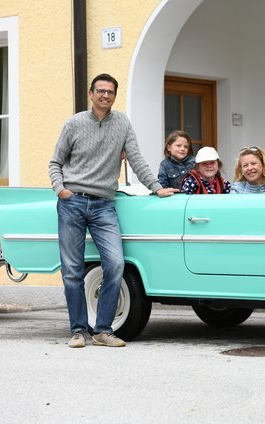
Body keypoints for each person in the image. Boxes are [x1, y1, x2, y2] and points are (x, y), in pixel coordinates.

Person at [49, 73, 177, 349]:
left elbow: (136, 159)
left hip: (104, 204)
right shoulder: (74, 124)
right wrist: (61, 189)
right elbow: (55, 162)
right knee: (72, 270)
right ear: (91, 94)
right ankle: (77, 331)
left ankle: (103, 330)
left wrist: (156, 187)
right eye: (101, 91)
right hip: (71, 202)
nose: (105, 95)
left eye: (110, 92)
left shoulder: (122, 123)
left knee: (116, 263)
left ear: (114, 96)